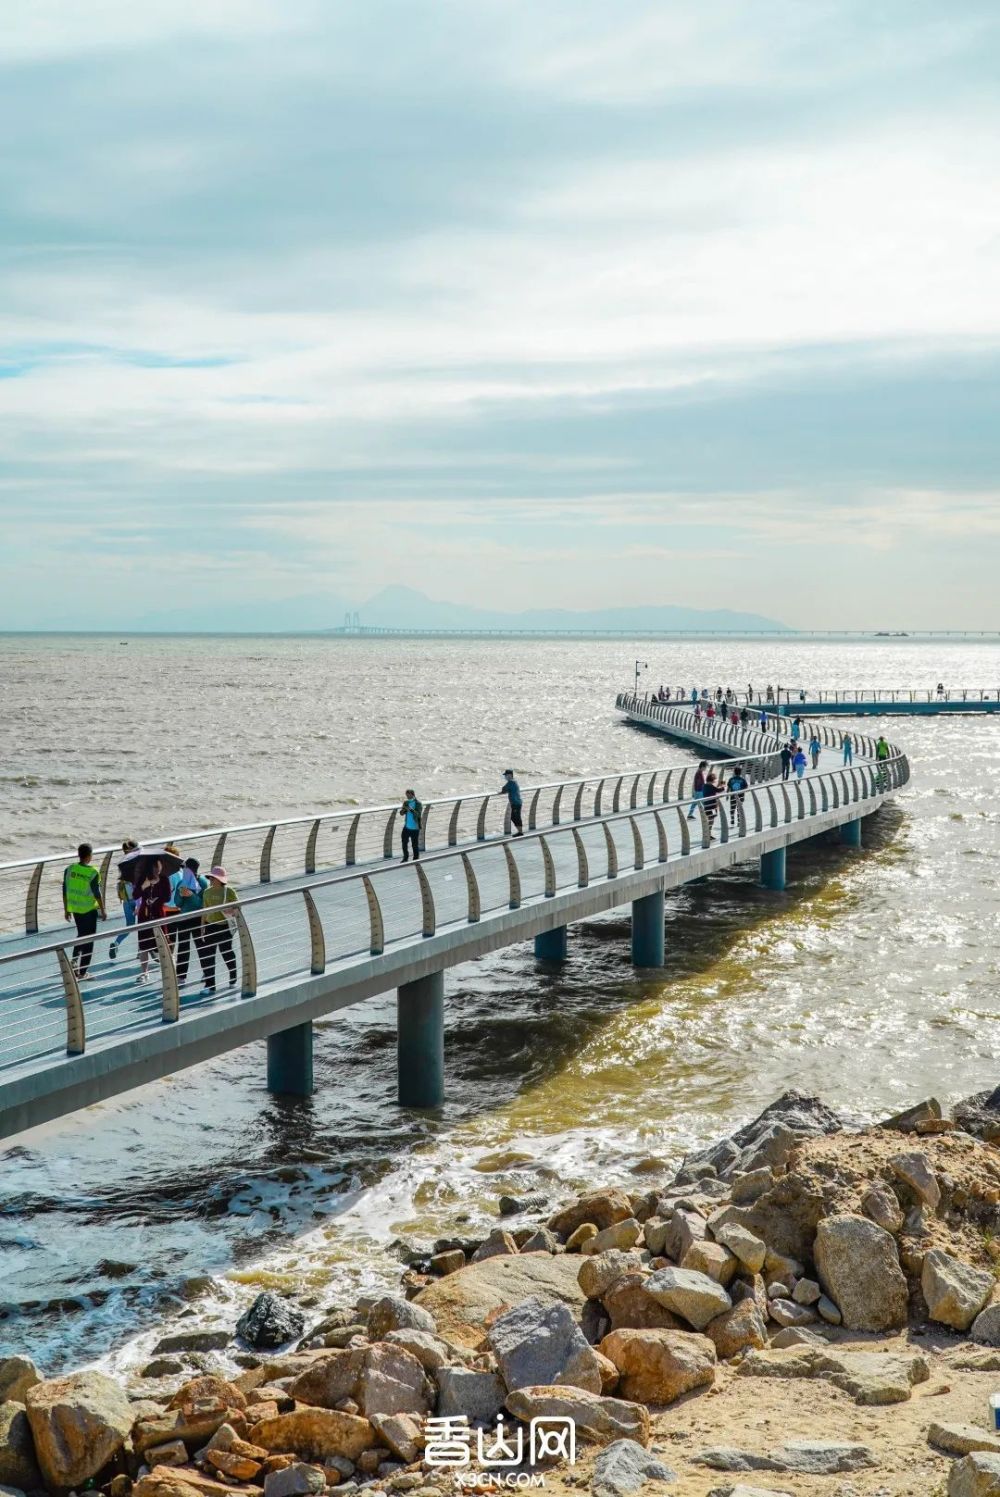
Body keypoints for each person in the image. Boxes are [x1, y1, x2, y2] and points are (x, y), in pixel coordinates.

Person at [63, 842, 106, 980]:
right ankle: (82, 973)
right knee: (89, 940)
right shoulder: (92, 872)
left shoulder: (69, 869)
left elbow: (64, 890)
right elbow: (96, 893)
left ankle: (74, 960)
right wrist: (103, 910)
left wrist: (66, 909)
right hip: (88, 909)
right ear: (89, 856)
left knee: (81, 934)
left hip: (75, 908)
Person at [200, 866, 239, 993]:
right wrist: (202, 927)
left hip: (225, 927)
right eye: (210, 877)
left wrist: (231, 910)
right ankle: (210, 986)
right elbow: (204, 911)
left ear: (219, 879)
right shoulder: (207, 892)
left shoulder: (229, 891)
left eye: (212, 877)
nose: (210, 879)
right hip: (210, 926)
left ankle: (233, 978)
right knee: (208, 956)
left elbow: (238, 908)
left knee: (226, 952)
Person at [134, 857, 171, 985]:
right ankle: (144, 972)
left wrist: (157, 900)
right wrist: (144, 886)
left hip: (158, 913)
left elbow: (167, 896)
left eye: (159, 866)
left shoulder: (165, 879)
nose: (158, 869)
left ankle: (167, 971)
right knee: (144, 945)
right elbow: (135, 895)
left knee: (162, 942)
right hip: (144, 915)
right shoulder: (143, 879)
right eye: (155, 867)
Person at [174, 857, 208, 986]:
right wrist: (181, 896)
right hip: (183, 917)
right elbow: (177, 903)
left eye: (185, 868)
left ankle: (206, 971)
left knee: (201, 945)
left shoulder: (203, 883)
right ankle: (181, 976)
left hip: (198, 918)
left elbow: (203, 904)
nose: (183, 871)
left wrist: (192, 896)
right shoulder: (181, 883)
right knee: (183, 946)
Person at [109, 838, 139, 960]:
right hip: (138, 899)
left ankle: (116, 943)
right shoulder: (137, 862)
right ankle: (142, 950)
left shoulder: (123, 863)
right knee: (144, 925)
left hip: (126, 898)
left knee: (130, 925)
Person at [399, 789, 423, 861]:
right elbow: (401, 813)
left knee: (414, 845)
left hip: (415, 828)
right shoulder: (406, 803)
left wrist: (411, 810)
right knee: (404, 843)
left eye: (408, 795)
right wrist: (404, 810)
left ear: (413, 794)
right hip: (406, 827)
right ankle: (405, 857)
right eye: (406, 795)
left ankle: (415, 859)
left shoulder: (418, 803)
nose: (407, 796)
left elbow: (418, 814)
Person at [500, 769, 524, 835]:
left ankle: (520, 832)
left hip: (515, 803)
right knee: (515, 817)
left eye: (506, 775)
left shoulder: (510, 782)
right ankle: (520, 831)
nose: (505, 777)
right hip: (517, 802)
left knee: (515, 817)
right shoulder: (514, 781)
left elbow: (503, 789)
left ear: (510, 775)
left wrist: (505, 790)